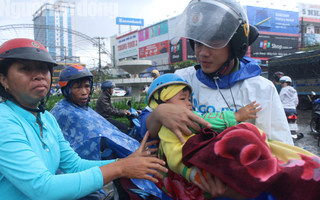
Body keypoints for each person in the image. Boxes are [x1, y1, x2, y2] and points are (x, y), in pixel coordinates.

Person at [140, 0, 293, 198]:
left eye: (214, 43)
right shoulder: (182, 80)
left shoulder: (260, 89)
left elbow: (281, 153)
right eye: (199, 42)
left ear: (236, 45)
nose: (203, 52)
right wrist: (158, 114)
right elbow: (145, 130)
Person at [0, 38, 167, 200]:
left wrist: (125, 162)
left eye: (43, 68)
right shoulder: (4, 121)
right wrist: (120, 167)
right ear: (3, 80)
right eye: (25, 68)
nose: (38, 75)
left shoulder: (46, 118)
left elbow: (74, 165)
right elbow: (42, 187)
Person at [149, 74, 320, 200]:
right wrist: (237, 117)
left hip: (207, 162)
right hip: (198, 163)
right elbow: (175, 156)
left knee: (256, 140)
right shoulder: (170, 123)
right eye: (182, 99)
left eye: (189, 99)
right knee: (246, 136)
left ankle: (301, 164)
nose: (189, 103)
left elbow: (208, 120)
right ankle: (302, 169)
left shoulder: (262, 85)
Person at [50, 64, 164, 199]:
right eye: (77, 87)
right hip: (71, 180)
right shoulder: (67, 112)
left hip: (84, 166)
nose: (84, 92)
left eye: (87, 86)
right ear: (66, 90)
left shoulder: (80, 107)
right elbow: (104, 133)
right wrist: (131, 151)